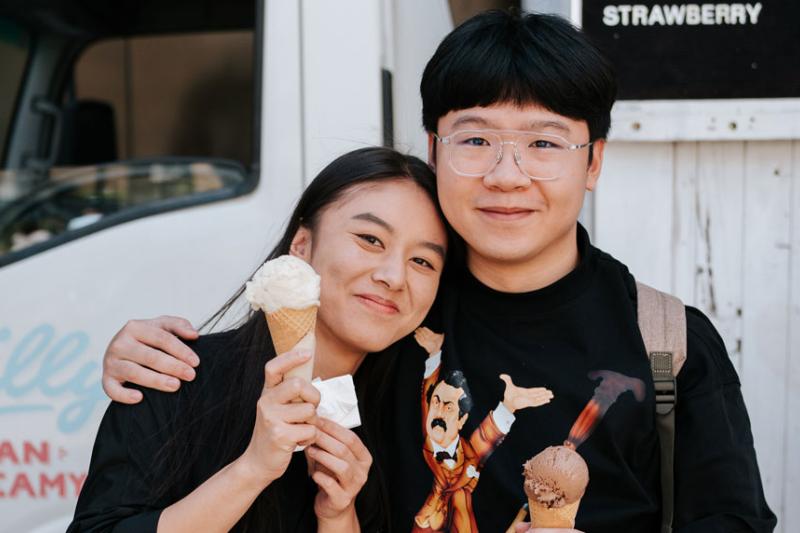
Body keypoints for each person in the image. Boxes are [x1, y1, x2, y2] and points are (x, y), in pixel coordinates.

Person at [98, 10, 777, 533]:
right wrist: (163, 362)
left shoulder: (667, 341)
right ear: (434, 146)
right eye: (475, 139)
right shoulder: (390, 312)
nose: (506, 175)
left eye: (544, 143)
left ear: (593, 161)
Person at [68, 147, 448, 533]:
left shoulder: (416, 421)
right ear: (301, 245)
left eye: (423, 261)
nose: (394, 276)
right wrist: (253, 469)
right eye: (370, 239)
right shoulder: (173, 375)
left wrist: (338, 516)